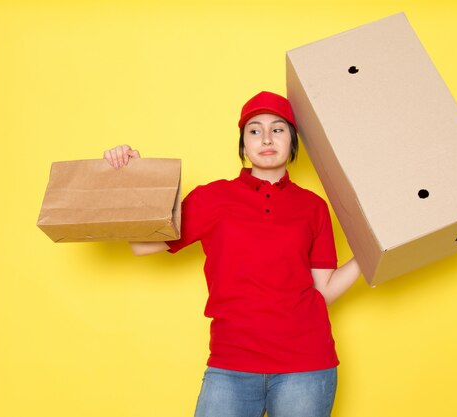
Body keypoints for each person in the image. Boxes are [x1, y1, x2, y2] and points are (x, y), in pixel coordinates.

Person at [104, 91, 361, 417]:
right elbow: (140, 244)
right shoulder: (211, 199)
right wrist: (130, 177)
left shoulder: (314, 207)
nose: (266, 138)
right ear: (243, 144)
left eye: (278, 129)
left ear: (293, 142)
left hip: (307, 366)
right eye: (254, 130)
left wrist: (372, 253)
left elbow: (322, 291)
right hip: (231, 364)